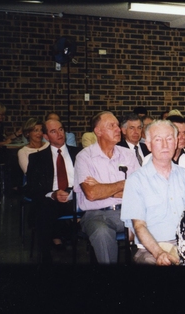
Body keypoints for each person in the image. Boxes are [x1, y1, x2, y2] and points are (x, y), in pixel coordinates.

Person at [121, 120, 185, 265]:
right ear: (149, 145)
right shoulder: (136, 181)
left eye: (169, 139)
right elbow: (139, 226)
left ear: (176, 142)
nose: (165, 145)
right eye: (158, 140)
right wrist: (159, 253)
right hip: (151, 249)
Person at [74, 111, 140, 264]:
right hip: (95, 214)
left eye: (117, 125)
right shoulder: (84, 157)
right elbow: (91, 194)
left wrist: (103, 189)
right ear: (98, 131)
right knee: (102, 232)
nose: (118, 129)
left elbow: (139, 189)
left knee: (153, 223)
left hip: (127, 211)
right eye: (112, 126)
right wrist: (123, 184)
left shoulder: (128, 155)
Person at [24, 119, 81, 263]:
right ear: (46, 136)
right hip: (52, 199)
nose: (59, 134)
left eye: (61, 129)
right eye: (53, 131)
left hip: (78, 196)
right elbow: (32, 188)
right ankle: (45, 256)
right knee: (43, 209)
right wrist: (53, 194)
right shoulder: (37, 158)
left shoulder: (80, 153)